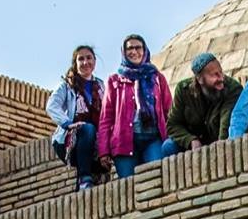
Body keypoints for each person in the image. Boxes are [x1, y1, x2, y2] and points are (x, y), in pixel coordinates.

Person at [100, 33, 176, 177]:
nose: (134, 52)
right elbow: (106, 118)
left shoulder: (157, 78)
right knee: (129, 188)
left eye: (138, 48)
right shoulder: (115, 81)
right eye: (129, 49)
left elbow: (169, 111)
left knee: (156, 177)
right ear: (124, 52)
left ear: (145, 50)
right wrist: (103, 151)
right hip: (124, 142)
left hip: (153, 137)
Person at [45, 44, 102, 190]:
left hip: (95, 139)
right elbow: (52, 105)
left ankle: (87, 182)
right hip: (70, 138)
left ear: (94, 62)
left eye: (89, 58)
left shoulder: (101, 86)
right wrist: (67, 123)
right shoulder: (67, 85)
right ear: (75, 64)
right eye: (80, 59)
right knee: (87, 128)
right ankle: (84, 178)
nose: (85, 62)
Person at [168, 52, 241, 151]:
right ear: (200, 79)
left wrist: (219, 147)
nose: (221, 78)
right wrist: (191, 141)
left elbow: (227, 125)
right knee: (168, 146)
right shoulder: (183, 91)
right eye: (214, 75)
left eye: (221, 72)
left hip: (222, 140)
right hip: (196, 143)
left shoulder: (232, 89)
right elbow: (173, 125)